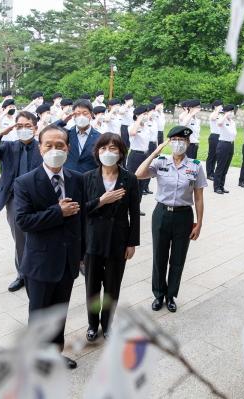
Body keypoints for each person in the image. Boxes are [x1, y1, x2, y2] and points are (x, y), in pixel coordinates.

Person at [14, 124, 86, 370]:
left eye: (60, 145)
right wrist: (58, 211)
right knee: (40, 315)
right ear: (39, 147)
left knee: (59, 313)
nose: (55, 150)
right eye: (49, 145)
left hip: (68, 261)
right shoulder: (25, 182)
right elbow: (24, 221)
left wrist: (81, 254)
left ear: (68, 148)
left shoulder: (77, 179)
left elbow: (82, 218)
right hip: (40, 263)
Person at [135, 126, 206, 313]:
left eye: (182, 140)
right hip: (161, 214)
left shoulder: (196, 166)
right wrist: (155, 152)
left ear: (188, 143)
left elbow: (198, 197)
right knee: (159, 256)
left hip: (184, 215)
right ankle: (158, 294)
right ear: (169, 142)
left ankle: (171, 295)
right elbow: (138, 174)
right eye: (174, 140)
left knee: (178, 258)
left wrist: (199, 223)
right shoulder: (160, 162)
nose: (178, 144)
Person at [84, 133, 140, 341]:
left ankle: (107, 324)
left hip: (118, 240)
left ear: (121, 153)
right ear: (97, 152)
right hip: (93, 240)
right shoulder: (87, 177)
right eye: (103, 148)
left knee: (112, 286)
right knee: (92, 286)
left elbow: (134, 212)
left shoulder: (129, 179)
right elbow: (82, 210)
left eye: (113, 149)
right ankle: (92, 324)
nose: (108, 153)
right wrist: (102, 200)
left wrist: (132, 242)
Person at [0, 111, 43, 292]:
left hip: (37, 199)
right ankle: (22, 274)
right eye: (20, 126)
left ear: (35, 128)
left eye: (28, 126)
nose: (24, 130)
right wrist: (0, 134)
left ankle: (38, 272)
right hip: (15, 199)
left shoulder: (42, 148)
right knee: (19, 238)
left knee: (38, 237)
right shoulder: (9, 147)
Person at [60, 99, 101, 173]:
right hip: (69, 177)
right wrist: (63, 121)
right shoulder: (67, 134)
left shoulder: (99, 137)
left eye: (85, 113)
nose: (81, 116)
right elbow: (47, 132)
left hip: (90, 179)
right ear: (73, 115)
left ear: (91, 115)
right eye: (78, 113)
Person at [127, 105, 150, 216]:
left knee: (141, 182)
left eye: (146, 114)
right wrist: (138, 119)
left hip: (145, 156)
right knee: (133, 181)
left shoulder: (146, 127)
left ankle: (136, 207)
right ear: (137, 115)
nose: (146, 116)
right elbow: (132, 133)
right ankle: (128, 207)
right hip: (135, 156)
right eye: (144, 114)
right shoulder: (132, 126)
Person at [214, 104, 237, 194]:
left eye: (232, 111)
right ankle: (217, 187)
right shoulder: (221, 119)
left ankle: (221, 186)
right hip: (223, 144)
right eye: (230, 111)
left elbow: (234, 133)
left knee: (226, 167)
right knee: (220, 167)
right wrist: (225, 116)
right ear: (226, 112)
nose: (232, 113)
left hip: (230, 144)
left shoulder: (232, 122)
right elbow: (219, 124)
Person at [206, 99, 223, 180]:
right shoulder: (213, 114)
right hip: (214, 136)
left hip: (220, 137)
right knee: (212, 155)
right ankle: (209, 173)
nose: (222, 107)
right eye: (220, 105)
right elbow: (213, 118)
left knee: (217, 156)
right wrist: (216, 110)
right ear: (216, 106)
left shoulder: (220, 115)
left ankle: (213, 172)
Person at [143, 103, 158, 195]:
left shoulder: (154, 122)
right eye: (152, 111)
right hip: (147, 145)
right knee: (146, 164)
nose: (153, 113)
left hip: (153, 144)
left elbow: (155, 136)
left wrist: (157, 147)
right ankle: (142, 187)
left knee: (151, 165)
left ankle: (146, 186)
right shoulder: (145, 122)